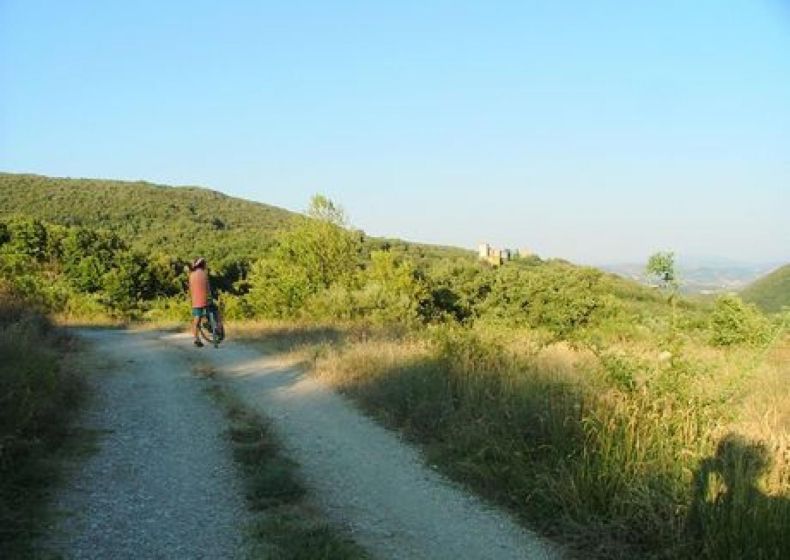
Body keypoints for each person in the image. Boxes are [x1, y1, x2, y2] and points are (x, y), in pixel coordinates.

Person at [188, 257, 211, 347]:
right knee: (207, 314)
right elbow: (208, 288)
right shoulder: (204, 274)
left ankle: (196, 339)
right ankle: (209, 327)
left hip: (196, 301)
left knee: (196, 320)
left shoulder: (191, 275)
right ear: (203, 265)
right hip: (205, 300)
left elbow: (190, 289)